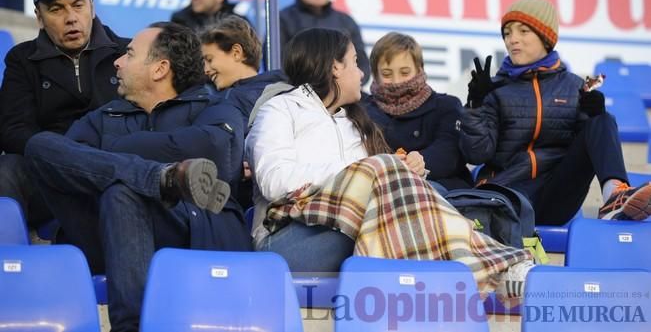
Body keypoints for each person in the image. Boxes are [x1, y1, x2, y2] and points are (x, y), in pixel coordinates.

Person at [246, 27, 533, 304]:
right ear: (335, 68)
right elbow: (275, 181)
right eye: (356, 63)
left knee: (426, 193)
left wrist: (409, 169)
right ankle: (498, 267)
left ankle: (463, 279)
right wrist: (363, 169)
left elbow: (380, 184)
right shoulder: (280, 110)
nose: (361, 74)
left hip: (354, 231)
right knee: (394, 203)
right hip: (288, 241)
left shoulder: (356, 123)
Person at [25, 21, 251, 332]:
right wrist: (159, 173)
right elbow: (65, 165)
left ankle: (130, 326)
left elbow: (214, 152)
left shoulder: (214, 106)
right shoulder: (103, 117)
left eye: (129, 54)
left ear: (160, 68)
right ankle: (160, 178)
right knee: (40, 145)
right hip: (105, 233)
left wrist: (112, 153)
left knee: (121, 190)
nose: (117, 61)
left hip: (191, 231)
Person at [458, 0, 651, 225]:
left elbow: (587, 147)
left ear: (545, 37)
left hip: (555, 196)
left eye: (523, 31)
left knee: (602, 120)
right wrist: (475, 106)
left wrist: (594, 115)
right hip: (507, 193)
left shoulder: (574, 86)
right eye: (507, 33)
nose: (513, 40)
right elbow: (476, 154)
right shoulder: (493, 88)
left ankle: (614, 197)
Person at [0, 0, 128, 227]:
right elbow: (14, 130)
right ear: (39, 17)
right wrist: (64, 154)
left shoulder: (127, 52)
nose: (71, 18)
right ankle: (13, 256)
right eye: (56, 9)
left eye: (77, 5)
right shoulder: (22, 60)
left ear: (91, 6)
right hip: (50, 169)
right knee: (7, 168)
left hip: (112, 162)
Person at [364, 32, 472, 190]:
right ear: (375, 75)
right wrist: (388, 164)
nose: (396, 82)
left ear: (419, 69)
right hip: (381, 188)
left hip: (440, 190)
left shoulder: (446, 106)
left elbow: (450, 152)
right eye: (387, 74)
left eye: (405, 72)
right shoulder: (363, 111)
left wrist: (421, 160)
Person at [199, 16, 287, 207]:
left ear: (236, 52)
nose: (205, 69)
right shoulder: (289, 85)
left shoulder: (228, 101)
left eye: (209, 59)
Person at [279, 0, 370, 82]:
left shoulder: (346, 22)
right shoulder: (283, 19)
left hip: (342, 94)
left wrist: (343, 87)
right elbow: (276, 64)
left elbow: (363, 66)